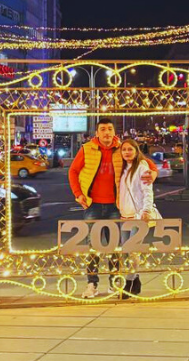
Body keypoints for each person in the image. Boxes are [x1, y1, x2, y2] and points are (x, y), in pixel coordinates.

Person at [68, 118, 152, 298]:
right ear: (97, 132)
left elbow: (145, 163)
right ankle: (92, 284)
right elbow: (73, 171)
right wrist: (78, 194)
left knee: (116, 246)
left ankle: (114, 283)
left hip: (115, 206)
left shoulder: (121, 148)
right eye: (103, 129)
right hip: (93, 205)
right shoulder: (86, 149)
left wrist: (153, 172)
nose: (107, 132)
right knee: (93, 246)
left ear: (115, 132)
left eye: (110, 129)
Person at [116, 139, 159, 298]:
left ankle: (128, 284)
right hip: (124, 216)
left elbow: (147, 191)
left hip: (138, 216)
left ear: (136, 151)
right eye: (124, 150)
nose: (127, 152)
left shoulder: (141, 167)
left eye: (130, 149)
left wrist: (146, 210)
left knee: (133, 251)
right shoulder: (123, 168)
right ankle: (136, 281)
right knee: (126, 252)